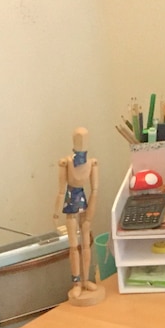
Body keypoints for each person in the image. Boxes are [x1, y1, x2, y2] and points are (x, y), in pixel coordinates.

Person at [53, 127, 104, 305]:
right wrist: (56, 211)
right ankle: (76, 281)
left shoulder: (92, 163)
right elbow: (61, 190)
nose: (81, 141)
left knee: (86, 244)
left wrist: (91, 210)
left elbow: (95, 190)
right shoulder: (66, 162)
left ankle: (85, 280)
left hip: (84, 203)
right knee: (73, 246)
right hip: (70, 204)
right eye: (78, 138)